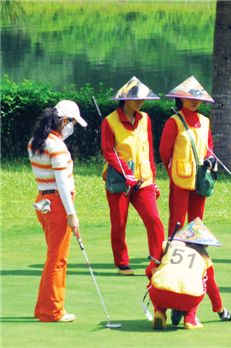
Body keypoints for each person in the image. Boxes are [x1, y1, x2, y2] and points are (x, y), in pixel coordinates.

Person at [28, 100, 87, 322]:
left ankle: (42, 308)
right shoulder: (57, 146)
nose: (71, 126)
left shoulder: (35, 141)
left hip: (42, 202)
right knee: (58, 259)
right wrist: (72, 214)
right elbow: (62, 184)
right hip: (58, 204)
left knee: (52, 257)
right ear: (63, 120)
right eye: (71, 122)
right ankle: (52, 310)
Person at [101, 76, 164, 276]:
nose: (140, 101)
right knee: (119, 222)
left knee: (154, 220)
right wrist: (126, 174)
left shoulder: (146, 119)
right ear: (124, 99)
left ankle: (157, 261)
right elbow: (109, 152)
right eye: (136, 98)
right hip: (119, 181)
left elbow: (149, 152)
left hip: (143, 180)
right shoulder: (109, 121)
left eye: (142, 98)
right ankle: (122, 262)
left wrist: (153, 181)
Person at [146, 218, 231, 330]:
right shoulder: (205, 258)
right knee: (202, 281)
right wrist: (220, 310)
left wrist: (154, 277)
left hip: (160, 294)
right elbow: (212, 289)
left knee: (156, 280)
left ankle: (159, 312)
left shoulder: (167, 246)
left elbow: (148, 271)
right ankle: (190, 319)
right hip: (189, 298)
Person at [159, 76, 217, 237]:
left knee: (197, 218)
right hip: (180, 175)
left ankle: (195, 250)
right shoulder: (174, 122)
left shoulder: (205, 121)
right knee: (178, 218)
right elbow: (164, 151)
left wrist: (210, 158)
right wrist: (171, 169)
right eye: (189, 98)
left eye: (197, 98)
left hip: (201, 175)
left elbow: (209, 146)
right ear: (180, 99)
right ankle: (172, 250)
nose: (194, 101)